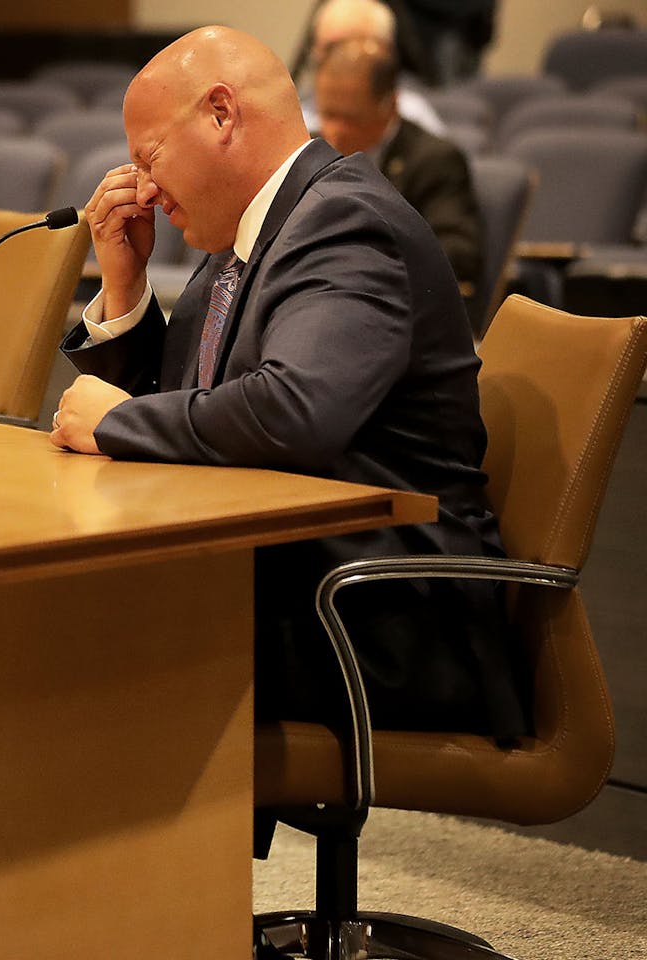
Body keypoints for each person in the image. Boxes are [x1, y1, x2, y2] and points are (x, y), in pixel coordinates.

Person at [51, 26, 524, 740]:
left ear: (221, 114)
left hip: (387, 612)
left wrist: (115, 422)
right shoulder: (250, 235)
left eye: (147, 158)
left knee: (81, 634)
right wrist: (125, 288)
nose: (142, 188)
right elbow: (195, 402)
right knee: (73, 610)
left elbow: (293, 411)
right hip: (305, 583)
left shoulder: (343, 221)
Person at [314, 37, 480, 288]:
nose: (334, 132)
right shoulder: (312, 148)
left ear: (389, 106)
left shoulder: (434, 159)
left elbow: (457, 252)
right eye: (327, 114)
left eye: (350, 118)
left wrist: (367, 262)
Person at [301, 0, 445, 135]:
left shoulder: (414, 120)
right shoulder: (296, 114)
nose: (337, 63)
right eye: (327, 49)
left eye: (348, 52)